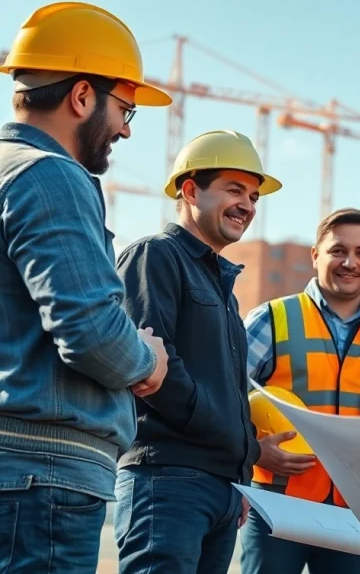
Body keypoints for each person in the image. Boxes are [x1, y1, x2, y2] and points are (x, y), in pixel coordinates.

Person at [0, 1, 171, 573]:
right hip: (43, 474)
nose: (125, 128)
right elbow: (93, 332)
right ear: (80, 96)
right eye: (125, 108)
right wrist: (147, 360)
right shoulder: (48, 174)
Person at [114, 130, 284, 574]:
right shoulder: (155, 256)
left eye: (253, 196)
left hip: (220, 489)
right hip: (168, 480)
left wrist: (236, 470)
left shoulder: (224, 291)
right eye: (234, 190)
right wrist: (226, 440)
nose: (247, 205)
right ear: (190, 191)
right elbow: (149, 366)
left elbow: (227, 390)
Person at [240, 208, 360, 574]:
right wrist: (254, 452)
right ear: (315, 255)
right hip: (277, 503)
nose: (349, 262)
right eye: (338, 250)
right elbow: (225, 399)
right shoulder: (272, 318)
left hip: (355, 510)